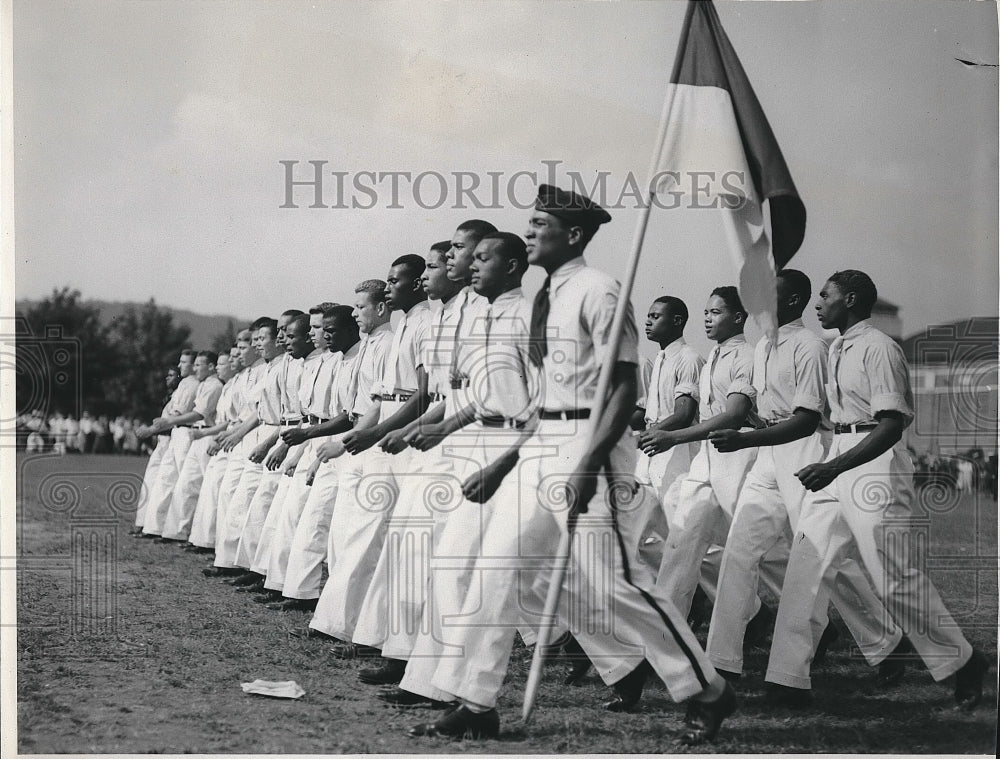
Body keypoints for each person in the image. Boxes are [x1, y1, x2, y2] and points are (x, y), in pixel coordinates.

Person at [412, 185, 736, 745]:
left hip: (593, 447)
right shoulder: (546, 296)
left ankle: (706, 687)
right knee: (495, 566)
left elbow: (622, 388)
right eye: (530, 223)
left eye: (542, 223)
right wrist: (507, 461)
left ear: (576, 235)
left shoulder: (600, 290)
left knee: (613, 583)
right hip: (543, 442)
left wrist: (587, 464)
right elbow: (542, 398)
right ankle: (476, 702)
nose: (531, 231)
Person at [766, 269, 987, 709]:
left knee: (893, 581)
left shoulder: (880, 349)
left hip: (875, 466)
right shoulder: (835, 350)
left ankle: (963, 663)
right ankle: (786, 680)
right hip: (840, 456)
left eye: (824, 296)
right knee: (805, 566)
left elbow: (889, 425)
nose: (817, 303)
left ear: (849, 299)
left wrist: (835, 466)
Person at [704, 270, 903, 700]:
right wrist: (751, 426)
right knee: (740, 551)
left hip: (806, 450)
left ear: (793, 301)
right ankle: (722, 663)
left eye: (769, 296)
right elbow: (763, 408)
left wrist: (750, 436)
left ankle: (885, 641)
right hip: (767, 455)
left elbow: (805, 419)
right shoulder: (761, 348)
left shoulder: (812, 346)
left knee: (818, 555)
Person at [383, 230, 537, 708]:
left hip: (516, 446)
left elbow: (547, 403)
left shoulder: (531, 315)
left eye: (476, 256)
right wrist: (446, 428)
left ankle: (623, 660)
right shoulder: (480, 314)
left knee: (514, 574)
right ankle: (434, 684)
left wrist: (506, 458)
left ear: (510, 265)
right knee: (453, 566)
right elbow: (473, 395)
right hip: (475, 439)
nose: (463, 263)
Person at [350, 233, 482, 684]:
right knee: (411, 544)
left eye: (433, 267)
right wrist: (410, 429)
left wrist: (410, 428)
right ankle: (403, 654)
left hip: (464, 440)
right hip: (433, 435)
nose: (426, 276)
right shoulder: (434, 319)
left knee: (454, 556)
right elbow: (439, 392)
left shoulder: (462, 316)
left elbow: (442, 393)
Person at [308, 258, 433, 649]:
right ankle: (354, 629)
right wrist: (358, 437)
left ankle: (357, 631)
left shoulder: (419, 325)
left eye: (362, 306)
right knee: (363, 535)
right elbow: (378, 398)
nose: (357, 312)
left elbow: (420, 394)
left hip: (403, 435)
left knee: (379, 538)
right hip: (382, 434)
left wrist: (373, 434)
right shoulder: (399, 332)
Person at [649, 288, 782, 630]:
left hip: (738, 457)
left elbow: (734, 414)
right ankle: (666, 637)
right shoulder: (712, 359)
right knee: (681, 543)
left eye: (716, 312)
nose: (707, 318)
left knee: (766, 552)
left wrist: (672, 437)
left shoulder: (746, 356)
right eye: (706, 312)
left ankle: (819, 624)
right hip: (705, 461)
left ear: (738, 318)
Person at [306, 279, 394, 646]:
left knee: (362, 541)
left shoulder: (388, 342)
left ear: (380, 308)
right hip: (357, 440)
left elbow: (382, 402)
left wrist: (346, 442)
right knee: (342, 539)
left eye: (360, 308)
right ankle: (341, 621)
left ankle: (338, 625)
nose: (356, 313)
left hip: (371, 441)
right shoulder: (370, 345)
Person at [276, 304, 363, 607]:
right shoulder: (331, 361)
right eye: (316, 328)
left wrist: (313, 453)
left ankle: (321, 598)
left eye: (324, 328)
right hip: (322, 440)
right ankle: (301, 592)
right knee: (313, 521)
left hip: (342, 441)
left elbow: (346, 414)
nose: (320, 334)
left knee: (331, 525)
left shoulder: (354, 358)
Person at [627, 296, 705, 584]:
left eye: (656, 316)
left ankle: (708, 594)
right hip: (650, 454)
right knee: (636, 532)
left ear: (677, 322)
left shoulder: (689, 358)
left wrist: (647, 434)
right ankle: (672, 594)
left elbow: (684, 414)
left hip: (678, 452)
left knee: (684, 535)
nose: (648, 322)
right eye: (648, 316)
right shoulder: (660, 358)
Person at [160, 351, 226, 543]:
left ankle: (205, 538)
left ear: (211, 367)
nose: (195, 369)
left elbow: (200, 413)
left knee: (205, 488)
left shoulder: (214, 386)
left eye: (199, 365)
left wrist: (170, 420)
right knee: (186, 486)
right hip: (197, 434)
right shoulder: (205, 384)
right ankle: (181, 532)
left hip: (207, 433)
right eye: (194, 365)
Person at [188, 343, 247, 553]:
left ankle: (213, 543)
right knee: (212, 491)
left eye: (227, 361)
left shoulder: (232, 384)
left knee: (221, 491)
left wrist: (207, 434)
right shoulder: (229, 385)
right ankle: (206, 540)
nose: (226, 364)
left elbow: (234, 420)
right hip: (223, 436)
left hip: (230, 438)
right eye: (224, 360)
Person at [138, 350, 200, 537]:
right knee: (165, 481)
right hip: (175, 432)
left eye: (185, 362)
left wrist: (151, 429)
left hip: (183, 431)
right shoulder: (183, 386)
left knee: (181, 482)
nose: (181, 366)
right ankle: (156, 527)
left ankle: (179, 530)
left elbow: (175, 416)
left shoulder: (192, 385)